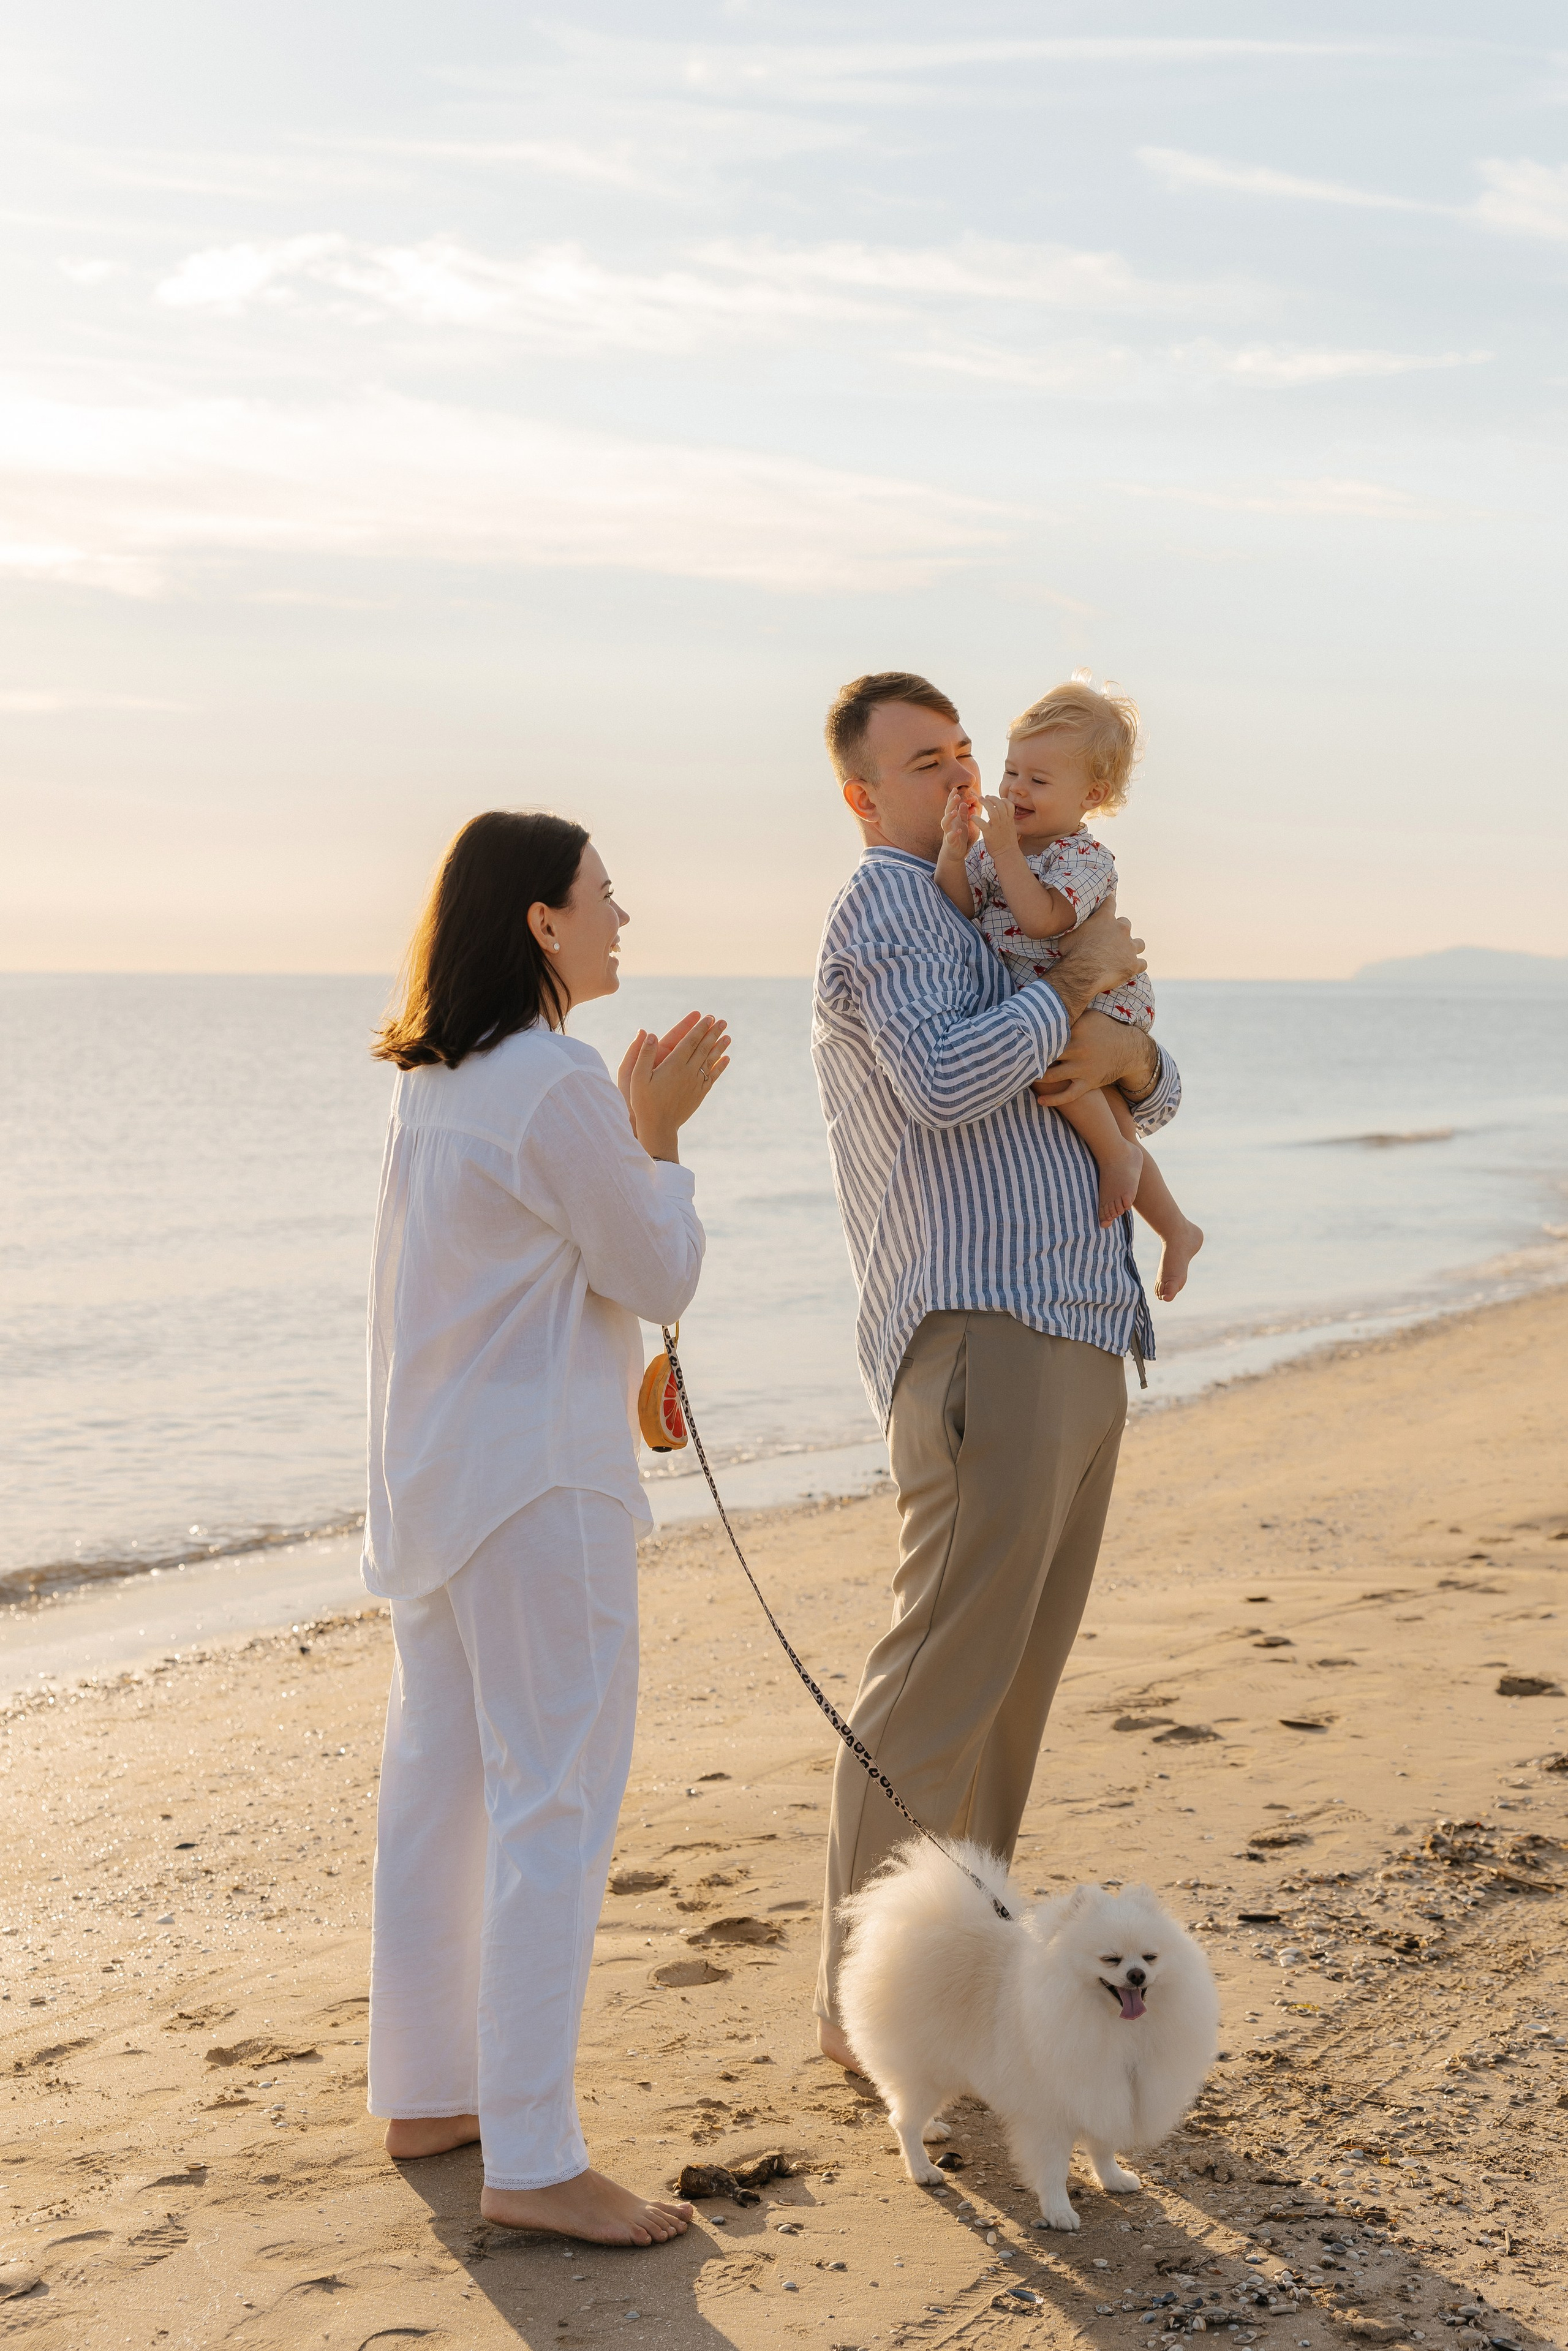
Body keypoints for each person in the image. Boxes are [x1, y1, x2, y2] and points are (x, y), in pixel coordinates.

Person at [361, 809, 729, 2245]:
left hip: (437, 1482)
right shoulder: (553, 1076)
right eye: (604, 895)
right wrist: (660, 1139)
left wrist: (625, 1137)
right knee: (551, 1803)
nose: (621, 917)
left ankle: (428, 2089)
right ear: (541, 920)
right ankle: (529, 2151)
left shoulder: (435, 1083)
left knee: (441, 1788)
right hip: (536, 1488)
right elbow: (655, 1268)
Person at [810, 673, 1182, 2065]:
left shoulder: (990, 899)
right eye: (925, 763)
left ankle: (956, 1995)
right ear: (863, 796)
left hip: (1083, 1319)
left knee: (1012, 1694)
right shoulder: (888, 907)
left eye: (964, 752)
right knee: (937, 1685)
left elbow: (1157, 1085)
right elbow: (942, 1080)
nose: (961, 779)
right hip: (985, 1325)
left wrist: (1120, 1036)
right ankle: (858, 2008)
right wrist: (1070, 1001)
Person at [933, 674, 1204, 1300]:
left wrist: (1001, 849)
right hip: (1053, 1001)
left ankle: (1117, 1160)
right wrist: (954, 851)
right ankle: (1176, 1228)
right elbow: (960, 907)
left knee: (1067, 1074)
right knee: (1112, 1118)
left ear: (1091, 795)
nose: (1014, 789)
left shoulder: (1082, 858)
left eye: (1038, 779)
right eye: (1011, 771)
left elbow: (1043, 920)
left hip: (1100, 1001)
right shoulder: (993, 850)